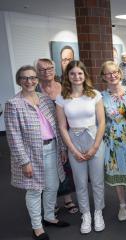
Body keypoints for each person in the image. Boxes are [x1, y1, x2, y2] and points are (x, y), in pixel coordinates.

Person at [5, 65, 70, 240]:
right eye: (25, 78)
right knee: (34, 190)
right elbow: (13, 137)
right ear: (19, 81)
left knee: (52, 185)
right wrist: (24, 162)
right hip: (32, 154)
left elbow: (56, 126)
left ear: (37, 80)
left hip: (52, 148)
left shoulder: (45, 99)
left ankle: (49, 217)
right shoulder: (13, 104)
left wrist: (62, 148)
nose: (29, 81)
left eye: (33, 77)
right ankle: (37, 227)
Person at [55, 60, 106, 234]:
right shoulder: (62, 98)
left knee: (98, 181)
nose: (76, 77)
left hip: (94, 139)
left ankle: (98, 212)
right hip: (74, 141)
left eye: (80, 73)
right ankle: (86, 214)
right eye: (72, 74)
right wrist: (73, 150)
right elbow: (62, 126)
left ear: (85, 75)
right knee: (80, 182)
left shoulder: (95, 95)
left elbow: (102, 122)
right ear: (67, 76)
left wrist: (95, 147)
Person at [36, 58, 79, 215]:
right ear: (37, 71)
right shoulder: (35, 89)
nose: (46, 72)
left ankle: (68, 199)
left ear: (54, 70)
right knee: (47, 169)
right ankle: (51, 202)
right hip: (45, 136)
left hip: (65, 133)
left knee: (66, 167)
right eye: (42, 69)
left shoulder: (63, 87)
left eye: (49, 68)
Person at [100, 61, 126, 222]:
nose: (113, 75)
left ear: (120, 73)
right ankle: (122, 204)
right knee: (117, 172)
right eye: (108, 73)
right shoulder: (100, 97)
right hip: (112, 143)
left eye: (115, 71)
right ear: (103, 77)